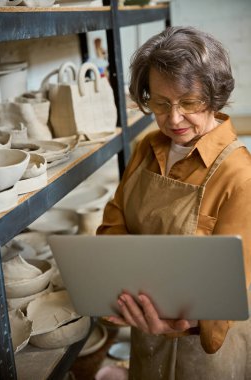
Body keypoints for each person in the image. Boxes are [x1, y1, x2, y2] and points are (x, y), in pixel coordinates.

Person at [97, 26, 251, 379]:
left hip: (204, 353)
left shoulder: (240, 175)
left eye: (189, 102)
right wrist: (129, 291)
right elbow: (114, 223)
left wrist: (178, 320)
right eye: (161, 103)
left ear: (214, 95)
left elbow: (228, 294)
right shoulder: (147, 148)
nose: (174, 118)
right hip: (144, 330)